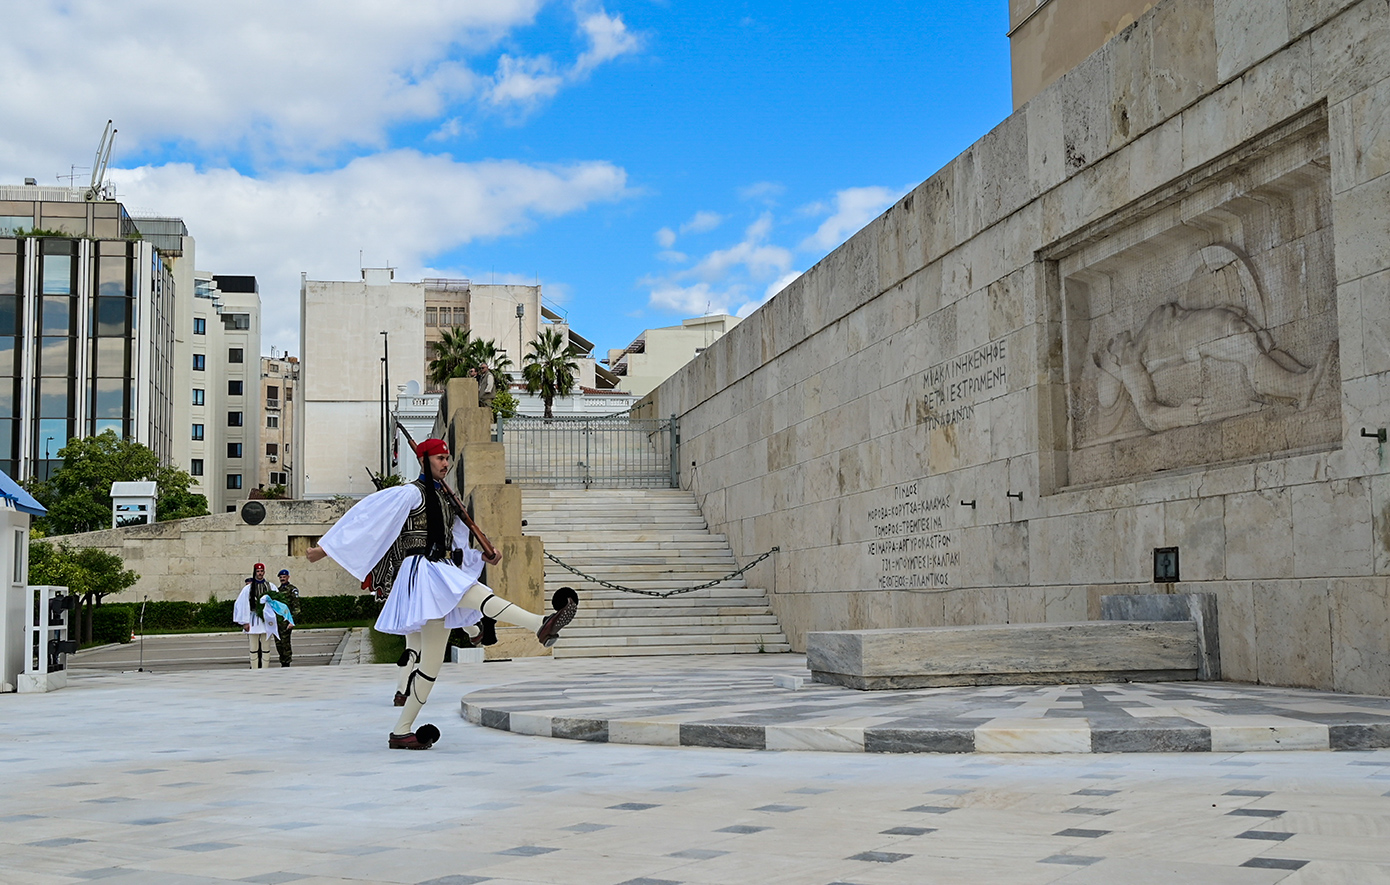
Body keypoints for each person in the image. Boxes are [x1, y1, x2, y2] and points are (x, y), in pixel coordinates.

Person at [306, 437, 577, 750]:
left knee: (431, 666)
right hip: (422, 571)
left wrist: (482, 556)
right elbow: (367, 518)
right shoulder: (411, 493)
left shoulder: (445, 497)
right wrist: (324, 548)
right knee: (477, 594)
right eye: (439, 459)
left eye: (447, 459)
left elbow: (455, 545)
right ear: (425, 461)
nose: (445, 464)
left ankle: (402, 730)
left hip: (439, 568)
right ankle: (539, 624)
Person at [233, 563, 295, 669]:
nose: (260, 573)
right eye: (258, 571)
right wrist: (244, 622)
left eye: (261, 571)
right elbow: (241, 604)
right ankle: (254, 668)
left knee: (266, 648)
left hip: (267, 620)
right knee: (253, 648)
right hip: (253, 619)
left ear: (264, 572)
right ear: (255, 572)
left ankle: (265, 669)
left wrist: (283, 618)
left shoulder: (271, 586)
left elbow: (279, 603)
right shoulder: (248, 588)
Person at [273, 569, 301, 667]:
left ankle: (287, 662)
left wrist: (291, 621)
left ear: (288, 577)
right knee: (278, 643)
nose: (282, 579)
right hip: (278, 621)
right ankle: (282, 660)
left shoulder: (292, 589)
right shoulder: (277, 591)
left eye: (284, 577)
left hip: (286, 621)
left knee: (285, 642)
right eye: (280, 577)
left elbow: (296, 608)